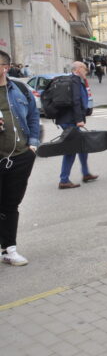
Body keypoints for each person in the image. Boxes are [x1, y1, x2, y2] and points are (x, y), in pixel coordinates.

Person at [0, 51, 40, 266]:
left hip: (20, 156)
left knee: (10, 205)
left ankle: (9, 249)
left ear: (5, 67)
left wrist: (32, 145)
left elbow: (33, 115)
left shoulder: (20, 89)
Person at [56, 62, 98, 189]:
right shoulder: (74, 81)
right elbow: (76, 101)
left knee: (81, 145)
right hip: (71, 120)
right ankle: (64, 180)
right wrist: (79, 119)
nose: (87, 71)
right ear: (79, 69)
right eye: (85, 69)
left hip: (68, 119)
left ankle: (85, 173)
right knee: (71, 149)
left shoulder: (74, 79)